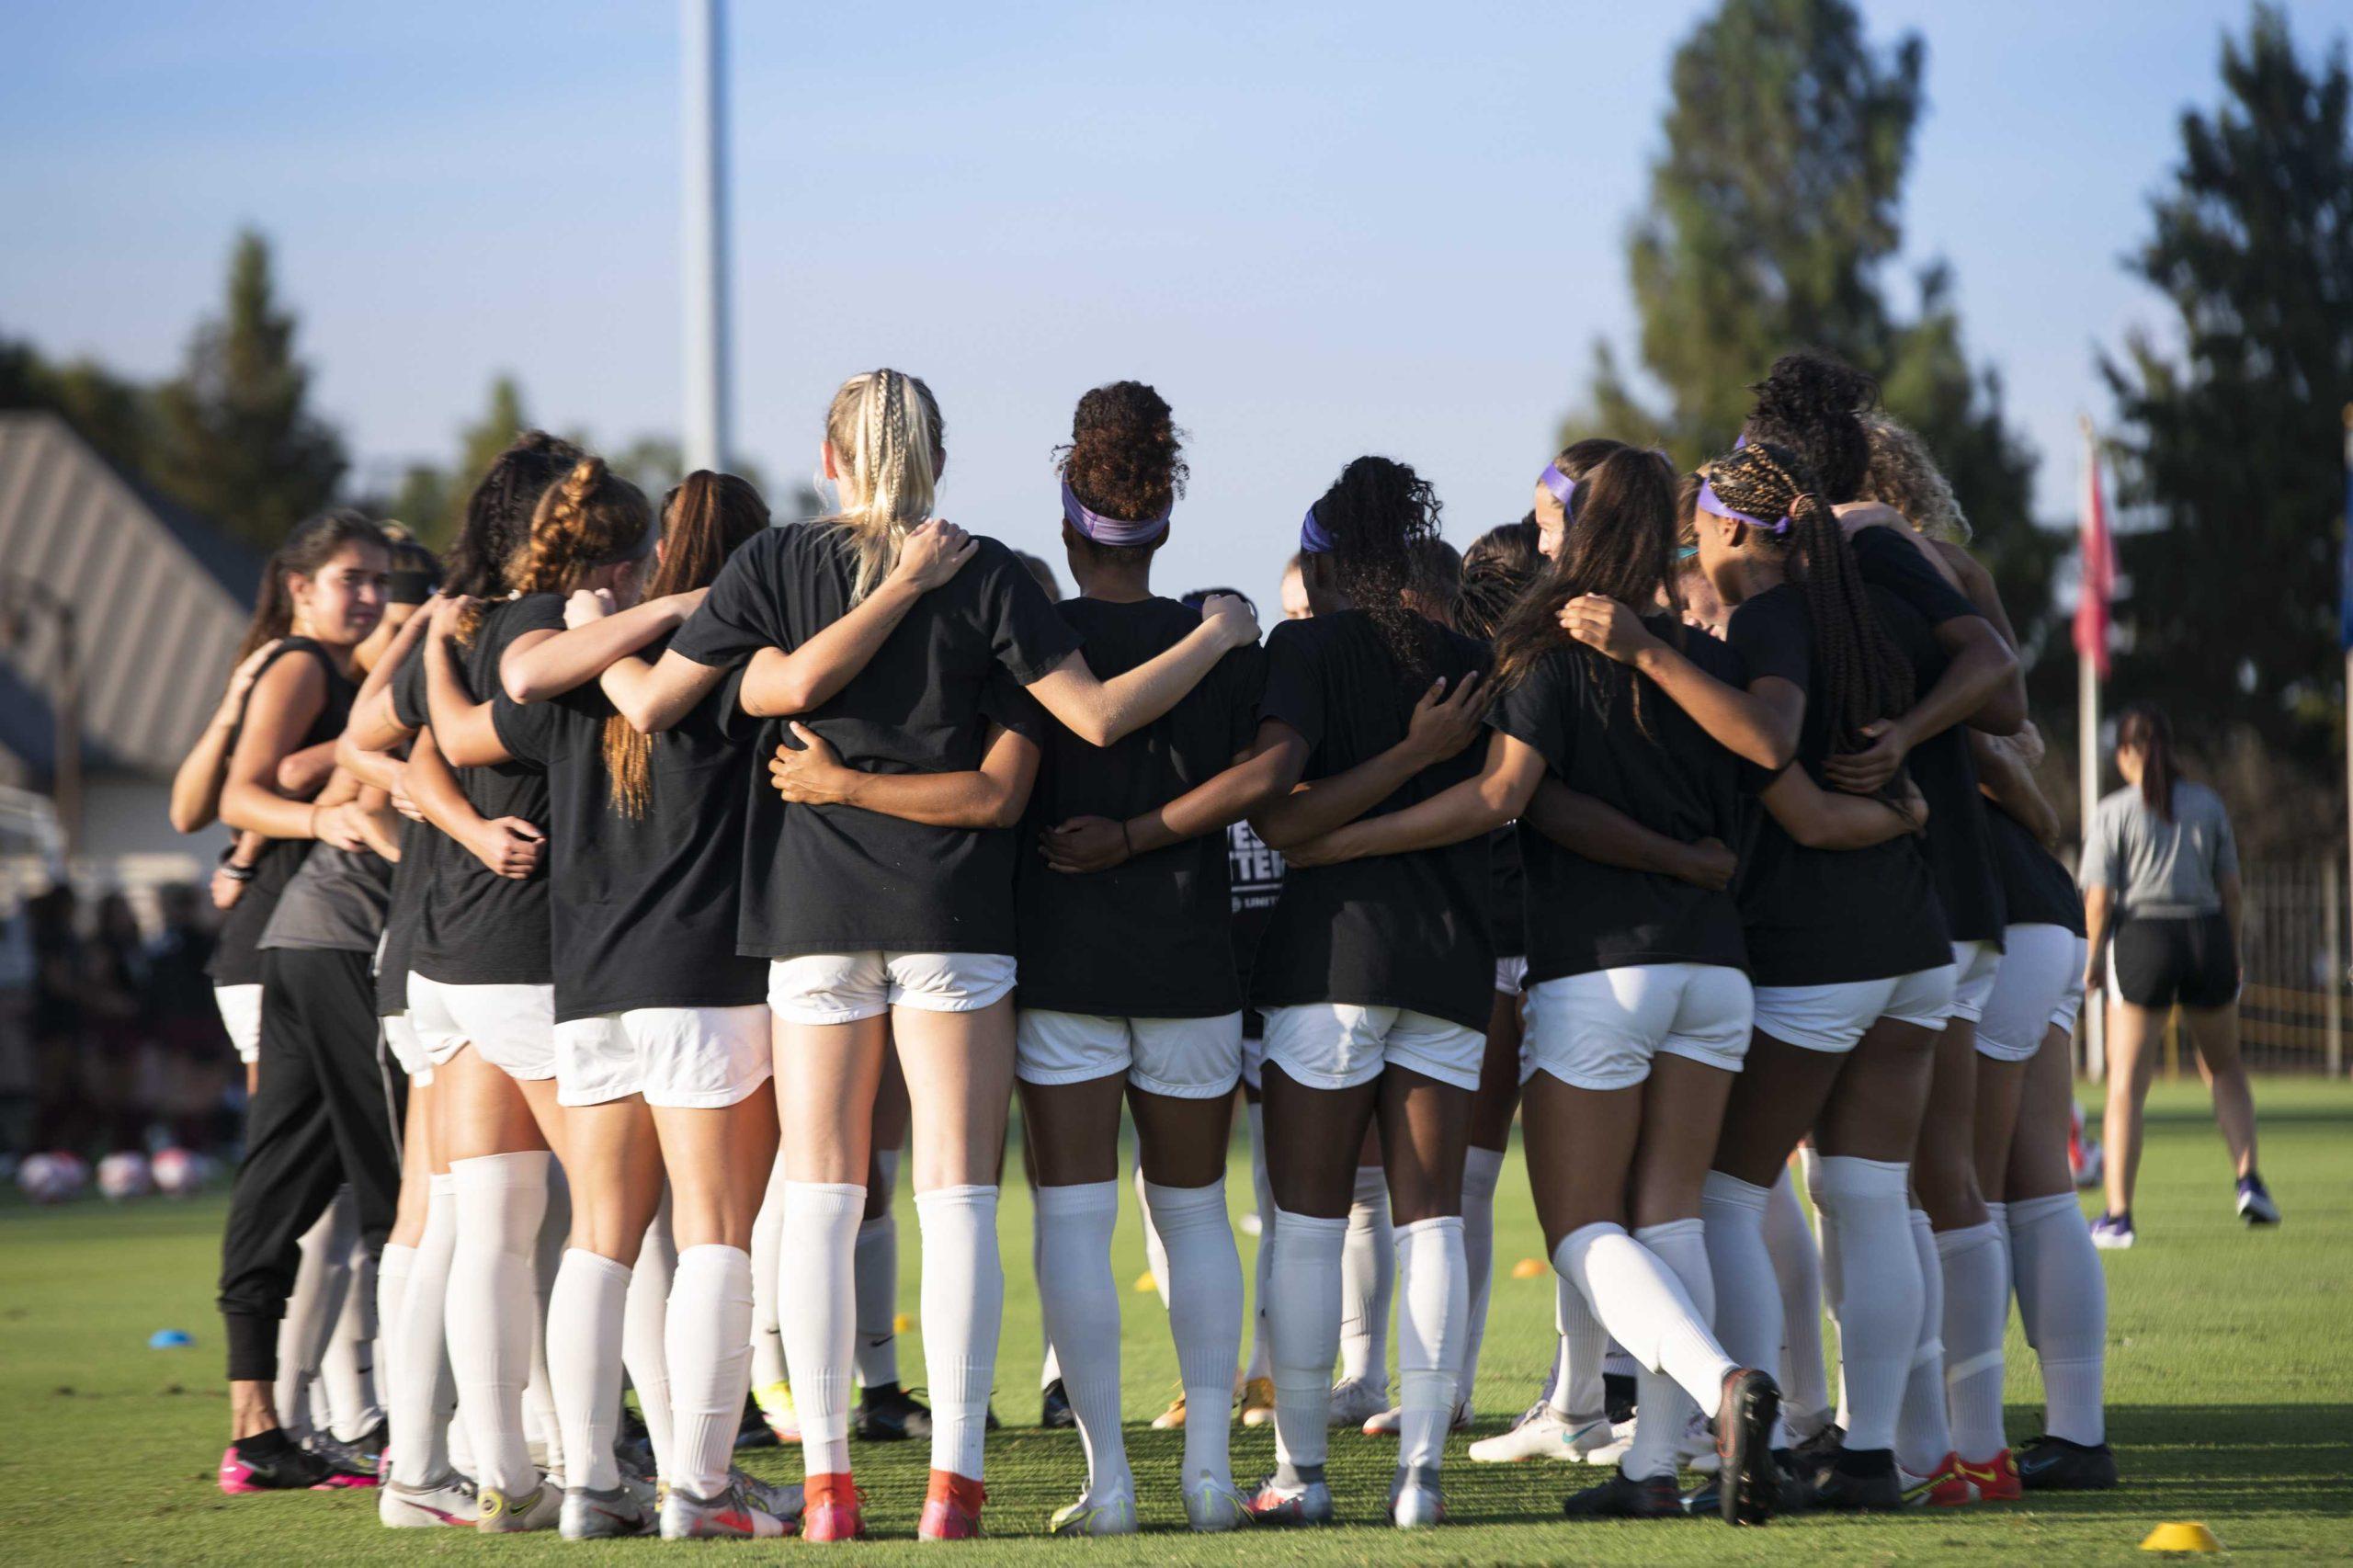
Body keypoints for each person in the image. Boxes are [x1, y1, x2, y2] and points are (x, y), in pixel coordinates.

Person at [620, 368, 1259, 1541]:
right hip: (954, 913)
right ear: (941, 460)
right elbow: (1100, 718)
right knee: (955, 1194)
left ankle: (824, 1483)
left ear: (829, 457)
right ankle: (952, 1483)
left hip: (813, 911)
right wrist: (1220, 631)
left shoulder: (770, 564)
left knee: (819, 1192)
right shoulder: (994, 571)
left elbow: (659, 706)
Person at [434, 468, 835, 1538]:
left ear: (661, 554)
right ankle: (700, 1489)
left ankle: (588, 1484)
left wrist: (585, 630)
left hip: (592, 982)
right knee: (713, 1237)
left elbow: (492, 704)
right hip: (707, 979)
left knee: (600, 1239)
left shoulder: (585, 663)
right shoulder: (745, 661)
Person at [1564, 438, 1952, 1511]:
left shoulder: (1768, 620)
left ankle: (1759, 1437)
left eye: (1697, 515)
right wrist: (1900, 811)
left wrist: (1648, 652)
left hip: (1817, 950)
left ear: (1734, 528)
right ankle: (1868, 1452)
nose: (1687, 532)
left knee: (1728, 1194)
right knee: (1866, 1193)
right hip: (1908, 946)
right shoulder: (1842, 612)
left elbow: (1782, 766)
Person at [959, 381, 1270, 1534]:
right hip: (1191, 960)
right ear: (1164, 520)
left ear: (1065, 518)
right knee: (1193, 1214)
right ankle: (1205, 1479)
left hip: (1069, 965)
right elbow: (1265, 776)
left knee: (1078, 1222)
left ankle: (1112, 1486)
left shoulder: (1029, 642)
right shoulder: (1223, 640)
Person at [1237, 455, 1491, 1529]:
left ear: (1329, 564)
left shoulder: (1300, 646)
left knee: (1304, 1223)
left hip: (1330, 964)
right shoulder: (1469, 653)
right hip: (1450, 961)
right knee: (1431, 1223)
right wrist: (1418, 750)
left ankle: (1299, 1474)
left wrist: (1382, 771)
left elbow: (1282, 821)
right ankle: (1421, 1476)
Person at [340, 432, 577, 1528]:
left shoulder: (459, 622)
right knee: (515, 1217)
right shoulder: (509, 626)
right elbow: (370, 740)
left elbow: (391, 735)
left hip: (432, 947)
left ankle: (436, 1463)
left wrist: (452, 813)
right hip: (478, 942)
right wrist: (472, 827)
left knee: (447, 1217)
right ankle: (509, 1458)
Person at [211, 509, 394, 1492]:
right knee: (365, 1179)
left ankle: (267, 1428)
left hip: (302, 935)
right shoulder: (300, 663)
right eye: (349, 578)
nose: (365, 594)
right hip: (304, 941)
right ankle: (372, 1424)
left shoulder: (344, 670)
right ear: (302, 585)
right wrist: (322, 808)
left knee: (299, 1180)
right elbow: (243, 789)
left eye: (377, 578)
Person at [2081, 701, 2271, 1244]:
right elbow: (2231, 891)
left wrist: (2094, 960)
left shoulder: (2114, 812)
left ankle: (2119, 1216)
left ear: (2124, 754)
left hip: (2145, 940)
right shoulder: (2207, 805)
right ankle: (2249, 1179)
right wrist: (2230, 951)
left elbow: (2099, 901)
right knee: (2225, 1068)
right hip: (2205, 937)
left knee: (2125, 1087)